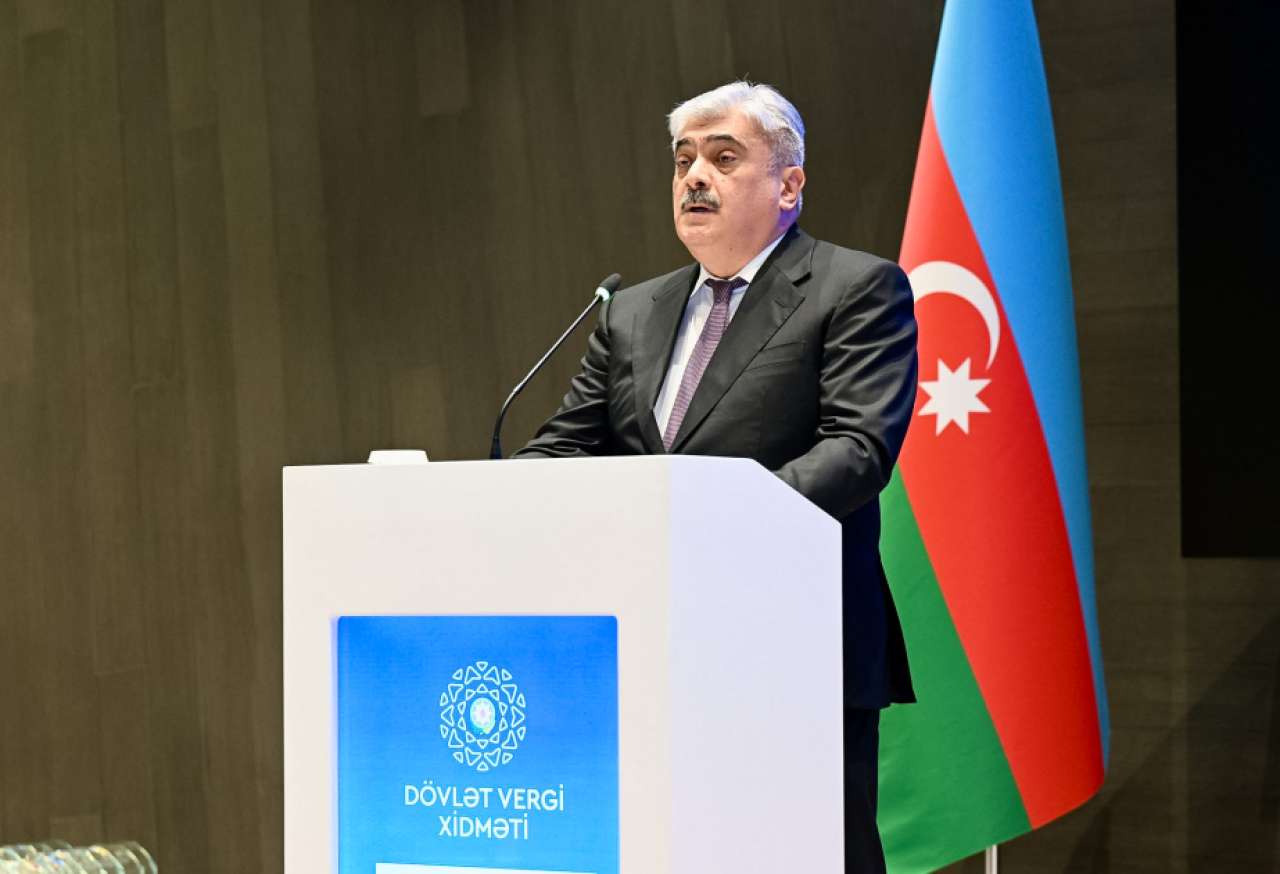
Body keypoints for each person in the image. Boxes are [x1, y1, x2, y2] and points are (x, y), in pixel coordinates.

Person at [514, 80, 917, 873]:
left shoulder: (854, 288)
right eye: (683, 160)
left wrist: (703, 530)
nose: (695, 175)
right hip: (644, 648)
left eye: (724, 158)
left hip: (794, 644)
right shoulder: (629, 313)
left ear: (789, 184)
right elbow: (563, 448)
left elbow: (857, 450)